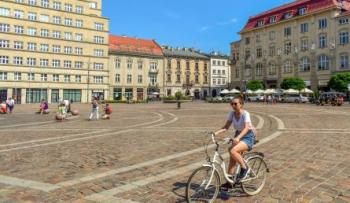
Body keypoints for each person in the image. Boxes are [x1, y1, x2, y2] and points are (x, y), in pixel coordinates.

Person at [214, 96, 256, 189]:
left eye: (235, 103)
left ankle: (245, 168)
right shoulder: (232, 114)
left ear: (241, 104)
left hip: (248, 136)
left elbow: (246, 128)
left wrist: (238, 138)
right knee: (232, 158)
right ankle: (230, 183)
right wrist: (215, 133)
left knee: (233, 151)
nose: (233, 105)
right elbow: (226, 127)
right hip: (239, 135)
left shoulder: (245, 114)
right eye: (231, 103)